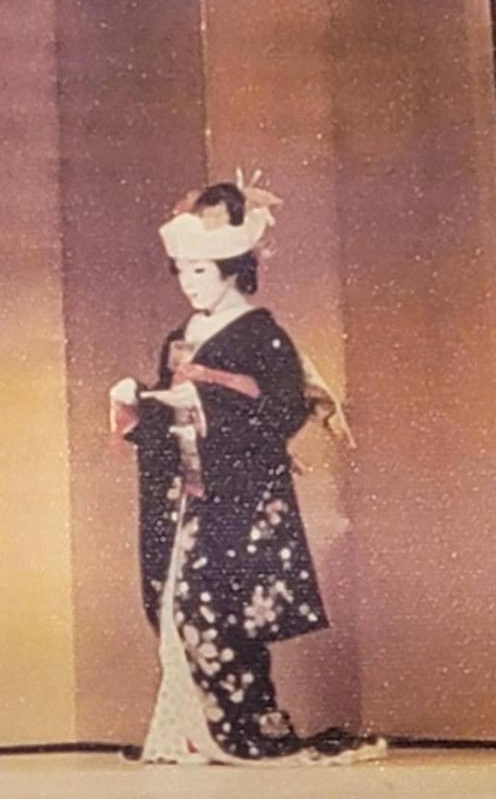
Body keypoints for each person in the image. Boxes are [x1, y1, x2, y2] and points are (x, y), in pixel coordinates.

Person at [110, 179, 384, 765]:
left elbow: (283, 409)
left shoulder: (262, 335)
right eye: (183, 271)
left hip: (236, 493)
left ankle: (243, 725)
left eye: (201, 271)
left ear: (233, 269)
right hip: (185, 493)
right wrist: (139, 408)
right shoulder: (180, 337)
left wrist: (207, 405)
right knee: (174, 604)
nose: (189, 283)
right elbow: (166, 414)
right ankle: (187, 733)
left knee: (214, 605)